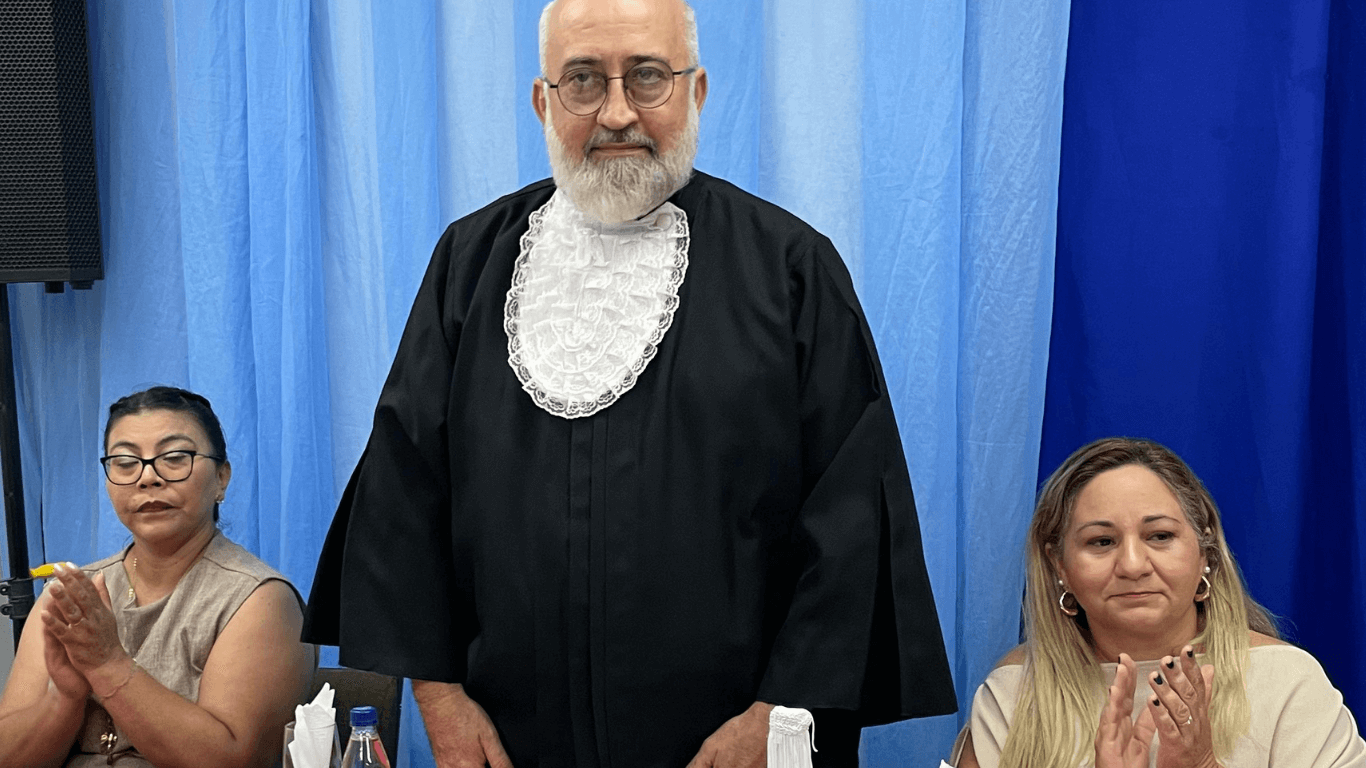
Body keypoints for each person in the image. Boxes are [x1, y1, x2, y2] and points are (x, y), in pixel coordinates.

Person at [301, 0, 956, 766]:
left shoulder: (791, 270)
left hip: (735, 745)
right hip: (511, 745)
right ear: (543, 101)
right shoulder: (469, 266)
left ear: (696, 91)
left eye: (647, 76)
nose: (616, 112)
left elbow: (851, 520)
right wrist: (439, 698)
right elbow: (403, 495)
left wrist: (780, 718)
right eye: (583, 80)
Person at [955, 437, 1366, 768]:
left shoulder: (1288, 682)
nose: (1133, 565)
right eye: (1102, 541)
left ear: (1205, 553)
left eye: (1160, 536)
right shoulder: (1014, 693)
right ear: (1059, 565)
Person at [0, 386, 315, 768]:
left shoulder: (260, 601)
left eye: (175, 458)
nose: (147, 478)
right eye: (125, 462)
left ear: (221, 478)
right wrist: (63, 698)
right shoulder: (71, 595)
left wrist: (107, 665)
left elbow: (230, 760)